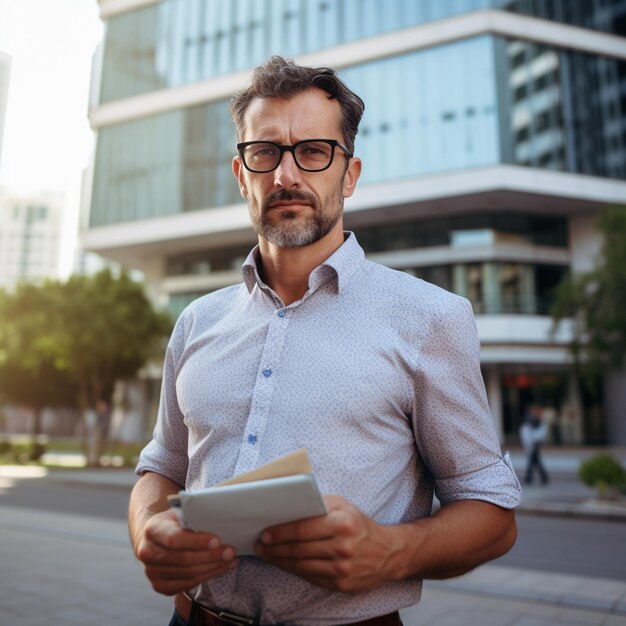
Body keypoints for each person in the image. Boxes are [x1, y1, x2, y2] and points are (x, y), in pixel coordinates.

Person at [129, 56, 522, 626]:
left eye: (313, 151)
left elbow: (493, 514)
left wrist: (391, 551)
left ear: (350, 174)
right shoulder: (195, 321)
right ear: (242, 175)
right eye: (264, 153)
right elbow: (161, 466)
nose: (286, 176)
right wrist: (148, 529)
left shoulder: (430, 318)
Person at [520, 405, 549, 485]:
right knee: (535, 462)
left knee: (533, 462)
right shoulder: (528, 423)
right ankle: (541, 478)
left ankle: (529, 478)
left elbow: (541, 434)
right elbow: (526, 434)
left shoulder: (538, 422)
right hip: (531, 445)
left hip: (535, 445)